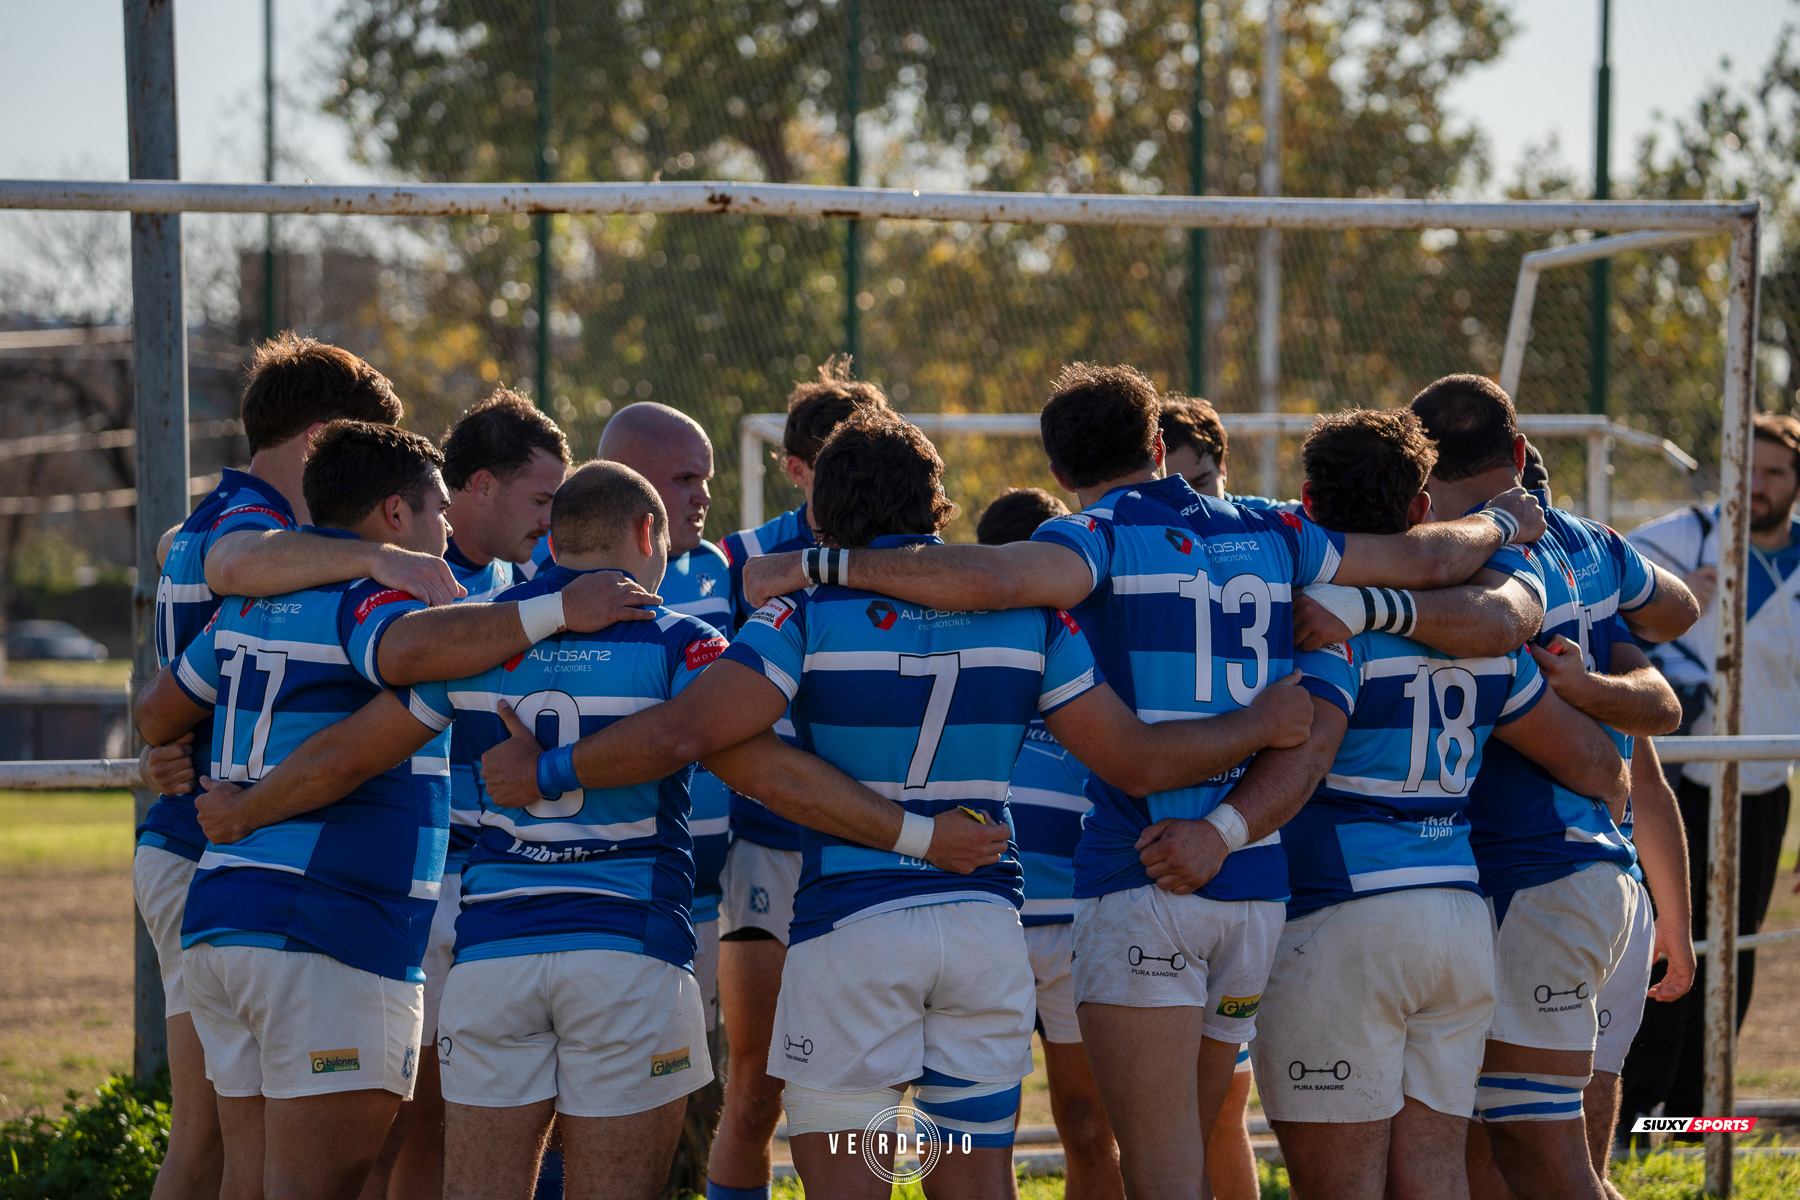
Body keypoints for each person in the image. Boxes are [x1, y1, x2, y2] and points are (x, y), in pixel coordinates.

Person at [477, 408, 1337, 1199]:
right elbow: (1138, 762)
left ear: (823, 517)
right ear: (936, 506)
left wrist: (549, 770)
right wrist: (1258, 722)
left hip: (853, 934)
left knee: (849, 1177)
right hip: (979, 933)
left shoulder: (802, 614)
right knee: (973, 1174)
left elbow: (691, 734)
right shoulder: (1035, 620)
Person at [744, 363, 1554, 1198]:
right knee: (1206, 1144)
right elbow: (1424, 557)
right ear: (1160, 447)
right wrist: (1501, 521)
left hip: (1147, 871)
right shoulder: (1275, 527)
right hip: (1253, 883)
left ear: (1059, 472)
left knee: (1163, 1170)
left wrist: (821, 566)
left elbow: (994, 581)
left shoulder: (1090, 537)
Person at [131, 422, 658, 1200]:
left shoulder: (247, 605)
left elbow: (155, 710)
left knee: (248, 1179)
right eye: (437, 508)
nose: (444, 528)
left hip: (226, 919)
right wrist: (556, 611)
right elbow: (405, 656)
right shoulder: (366, 597)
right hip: (322, 927)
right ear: (394, 515)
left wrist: (177, 750)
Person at [1252, 408, 1631, 1200]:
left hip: (1341, 919)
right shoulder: (1479, 635)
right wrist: (1618, 784)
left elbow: (1304, 762)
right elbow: (1593, 760)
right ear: (1422, 508)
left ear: (1306, 502)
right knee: (1434, 1179)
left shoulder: (1311, 619)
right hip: (1456, 925)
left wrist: (1217, 830)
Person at [133, 333, 460, 1200]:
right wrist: (379, 557)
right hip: (227, 845)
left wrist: (173, 744)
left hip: (214, 846)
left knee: (223, 1155)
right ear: (320, 440)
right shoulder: (252, 530)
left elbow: (165, 691)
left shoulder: (212, 521)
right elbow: (236, 563)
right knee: (206, 1147)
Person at [1404, 374, 1698, 1200]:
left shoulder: (1464, 558)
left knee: (1544, 1161)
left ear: (1420, 472)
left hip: (1535, 875)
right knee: (1513, 1149)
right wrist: (1598, 677)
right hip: (1592, 875)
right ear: (1521, 450)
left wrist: (1585, 699)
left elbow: (1613, 752)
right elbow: (1676, 618)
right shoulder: (1589, 544)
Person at [384, 387, 574, 1200]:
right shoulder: (398, 574)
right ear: (482, 486)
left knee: (451, 1118)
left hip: (491, 886)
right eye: (542, 499)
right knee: (392, 1122)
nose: (552, 519)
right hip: (409, 882)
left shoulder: (526, 580)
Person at [707, 358, 890, 1200]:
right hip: (772, 845)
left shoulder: (905, 556)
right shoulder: (738, 561)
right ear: (794, 468)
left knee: (871, 1089)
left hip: (879, 844)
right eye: (834, 460)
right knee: (756, 1090)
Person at [1619, 410, 1800, 1131]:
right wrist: (1668, 600)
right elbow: (1601, 604)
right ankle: (1637, 1111)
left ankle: (1698, 1118)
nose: (1757, 486)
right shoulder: (1674, 540)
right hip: (1677, 777)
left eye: (1775, 473)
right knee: (1665, 937)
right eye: (1746, 469)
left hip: (1762, 783)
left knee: (1737, 946)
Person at [596, 402, 736, 1173]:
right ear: (632, 481)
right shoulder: (553, 579)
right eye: (684, 479)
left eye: (705, 479)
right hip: (600, 895)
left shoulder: (724, 567)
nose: (702, 495)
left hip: (703, 899)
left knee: (694, 1109)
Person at [977, 488, 1126, 1200]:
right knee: (981, 1135)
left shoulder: (1097, 647)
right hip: (985, 917)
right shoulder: (965, 644)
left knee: (1090, 1125)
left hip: (1076, 918)